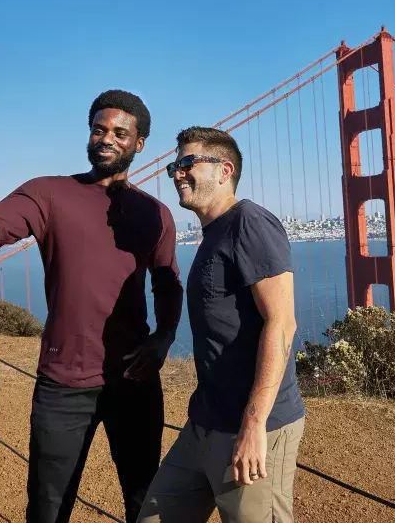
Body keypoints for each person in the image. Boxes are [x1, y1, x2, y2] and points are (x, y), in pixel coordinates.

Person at [0, 90, 183, 523]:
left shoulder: (157, 214)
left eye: (120, 133)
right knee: (48, 509)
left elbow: (167, 283)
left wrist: (164, 337)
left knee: (145, 503)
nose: (107, 138)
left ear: (139, 143)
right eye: (99, 129)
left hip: (134, 379)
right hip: (63, 384)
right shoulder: (48, 194)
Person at [138, 126, 305, 523]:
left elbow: (282, 323)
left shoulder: (249, 222)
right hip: (205, 422)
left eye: (186, 163)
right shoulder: (214, 233)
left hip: (252, 426)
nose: (176, 173)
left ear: (224, 170)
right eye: (173, 166)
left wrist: (253, 425)